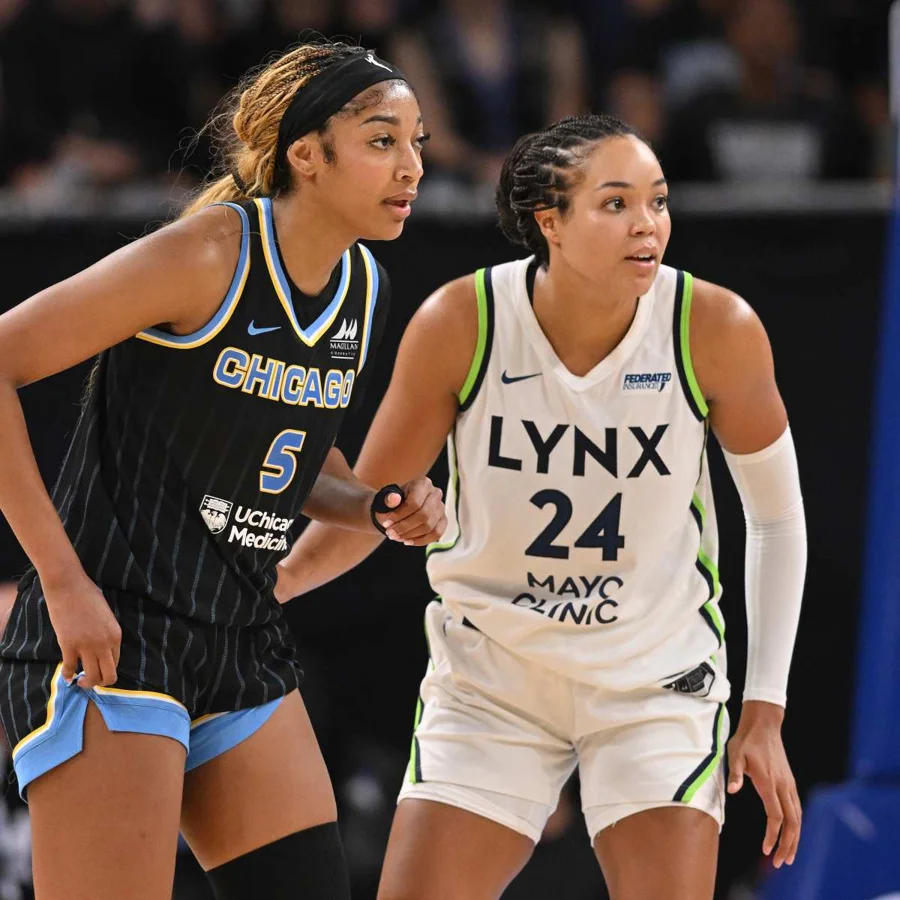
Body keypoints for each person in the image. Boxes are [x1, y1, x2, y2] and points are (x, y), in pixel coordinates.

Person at [278, 113, 807, 899]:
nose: (647, 224)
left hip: (653, 681)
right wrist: (275, 584)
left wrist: (764, 709)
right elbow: (368, 507)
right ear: (549, 221)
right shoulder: (464, 320)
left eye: (658, 201)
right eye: (616, 203)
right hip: (495, 678)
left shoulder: (713, 327)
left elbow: (776, 519)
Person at [0, 39, 445, 900]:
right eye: (382, 140)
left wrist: (377, 506)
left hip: (239, 639)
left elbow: (296, 463)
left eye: (418, 142)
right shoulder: (207, 252)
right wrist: (61, 581)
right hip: (118, 629)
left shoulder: (363, 287)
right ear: (307, 155)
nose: (411, 166)